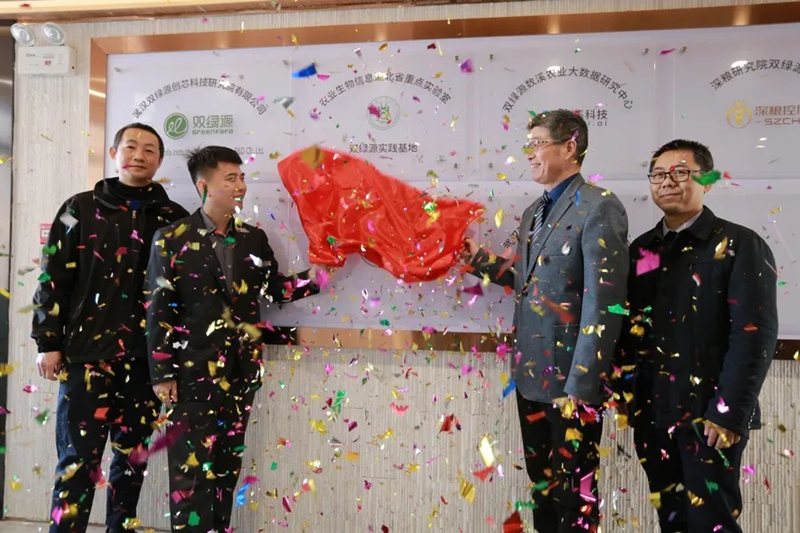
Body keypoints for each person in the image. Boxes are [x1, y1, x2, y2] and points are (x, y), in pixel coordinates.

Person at [144, 146, 330, 532]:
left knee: (226, 471)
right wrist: (162, 374)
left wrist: (316, 278)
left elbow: (273, 291)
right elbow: (158, 309)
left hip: (240, 373)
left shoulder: (252, 239)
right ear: (203, 185)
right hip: (190, 377)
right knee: (191, 476)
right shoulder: (172, 238)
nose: (241, 186)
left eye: (242, 177)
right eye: (230, 178)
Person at [464, 109, 629, 533]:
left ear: (570, 147)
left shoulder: (599, 207)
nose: (530, 153)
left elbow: (604, 304)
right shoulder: (533, 212)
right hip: (530, 376)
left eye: (538, 143)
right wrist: (477, 261)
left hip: (572, 383)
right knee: (544, 493)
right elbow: (526, 279)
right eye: (530, 144)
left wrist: (582, 386)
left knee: (575, 498)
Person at [32, 123, 189, 532]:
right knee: (76, 463)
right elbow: (52, 278)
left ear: (159, 160)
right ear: (114, 153)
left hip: (144, 363)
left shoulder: (174, 218)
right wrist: (48, 341)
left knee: (131, 464)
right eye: (131, 146)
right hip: (86, 357)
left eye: (149, 150)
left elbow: (183, 295)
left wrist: (171, 361)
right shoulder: (78, 208)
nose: (139, 155)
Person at [615, 139, 778, 533]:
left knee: (711, 522)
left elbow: (754, 336)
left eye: (680, 173)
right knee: (671, 519)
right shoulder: (643, 250)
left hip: (710, 418)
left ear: (706, 180)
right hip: (653, 414)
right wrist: (627, 397)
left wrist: (729, 413)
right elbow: (631, 330)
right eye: (658, 175)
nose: (667, 182)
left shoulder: (739, 244)